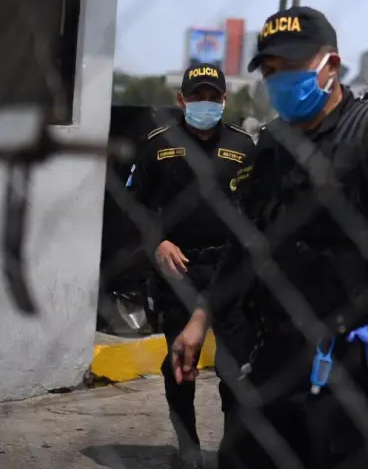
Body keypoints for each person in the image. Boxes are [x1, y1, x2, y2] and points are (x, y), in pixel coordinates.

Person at [169, 6, 368, 469]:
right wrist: (201, 316)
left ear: (330, 65)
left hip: (344, 360)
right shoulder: (274, 144)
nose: (279, 81)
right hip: (272, 351)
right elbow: (245, 241)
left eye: (291, 67)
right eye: (271, 71)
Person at [126, 62, 256, 469]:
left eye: (212, 96)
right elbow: (133, 206)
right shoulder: (156, 145)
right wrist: (157, 242)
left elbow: (259, 211)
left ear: (224, 100)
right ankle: (188, 449)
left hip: (231, 268)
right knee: (180, 363)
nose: (205, 103)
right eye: (196, 96)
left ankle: (236, 451)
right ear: (181, 100)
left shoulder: (244, 147)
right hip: (179, 269)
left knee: (235, 366)